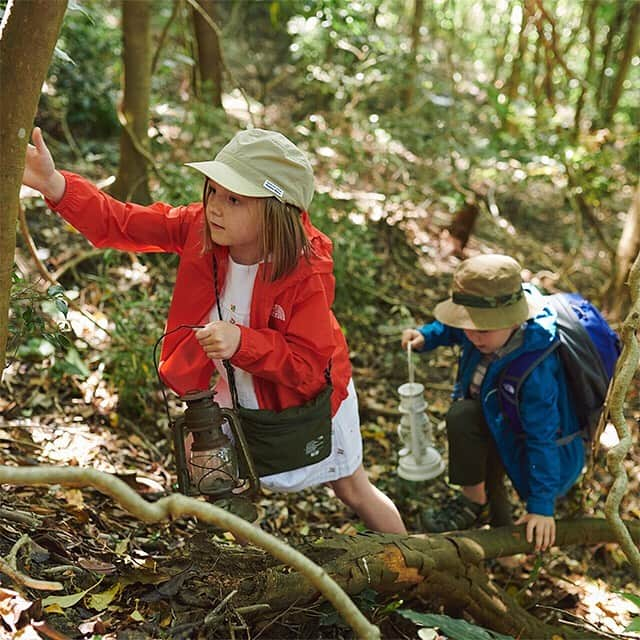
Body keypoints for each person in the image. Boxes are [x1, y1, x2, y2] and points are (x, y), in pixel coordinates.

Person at [23, 126, 406, 535]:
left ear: (276, 210)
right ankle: (236, 565)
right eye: (213, 191)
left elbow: (308, 365)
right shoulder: (199, 229)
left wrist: (243, 342)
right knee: (216, 478)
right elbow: (123, 223)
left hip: (302, 401)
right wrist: (55, 184)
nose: (215, 208)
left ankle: (416, 567)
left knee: (352, 487)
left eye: (235, 199)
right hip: (231, 393)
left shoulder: (303, 271)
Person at [401, 254, 585, 551]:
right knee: (485, 465)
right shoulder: (478, 329)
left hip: (519, 434)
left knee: (495, 462)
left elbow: (543, 436)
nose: (472, 335)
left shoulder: (536, 370)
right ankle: (475, 505)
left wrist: (541, 506)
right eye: (468, 326)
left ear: (514, 320)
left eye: (483, 329)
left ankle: (502, 544)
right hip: (488, 417)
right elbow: (454, 329)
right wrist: (426, 336)